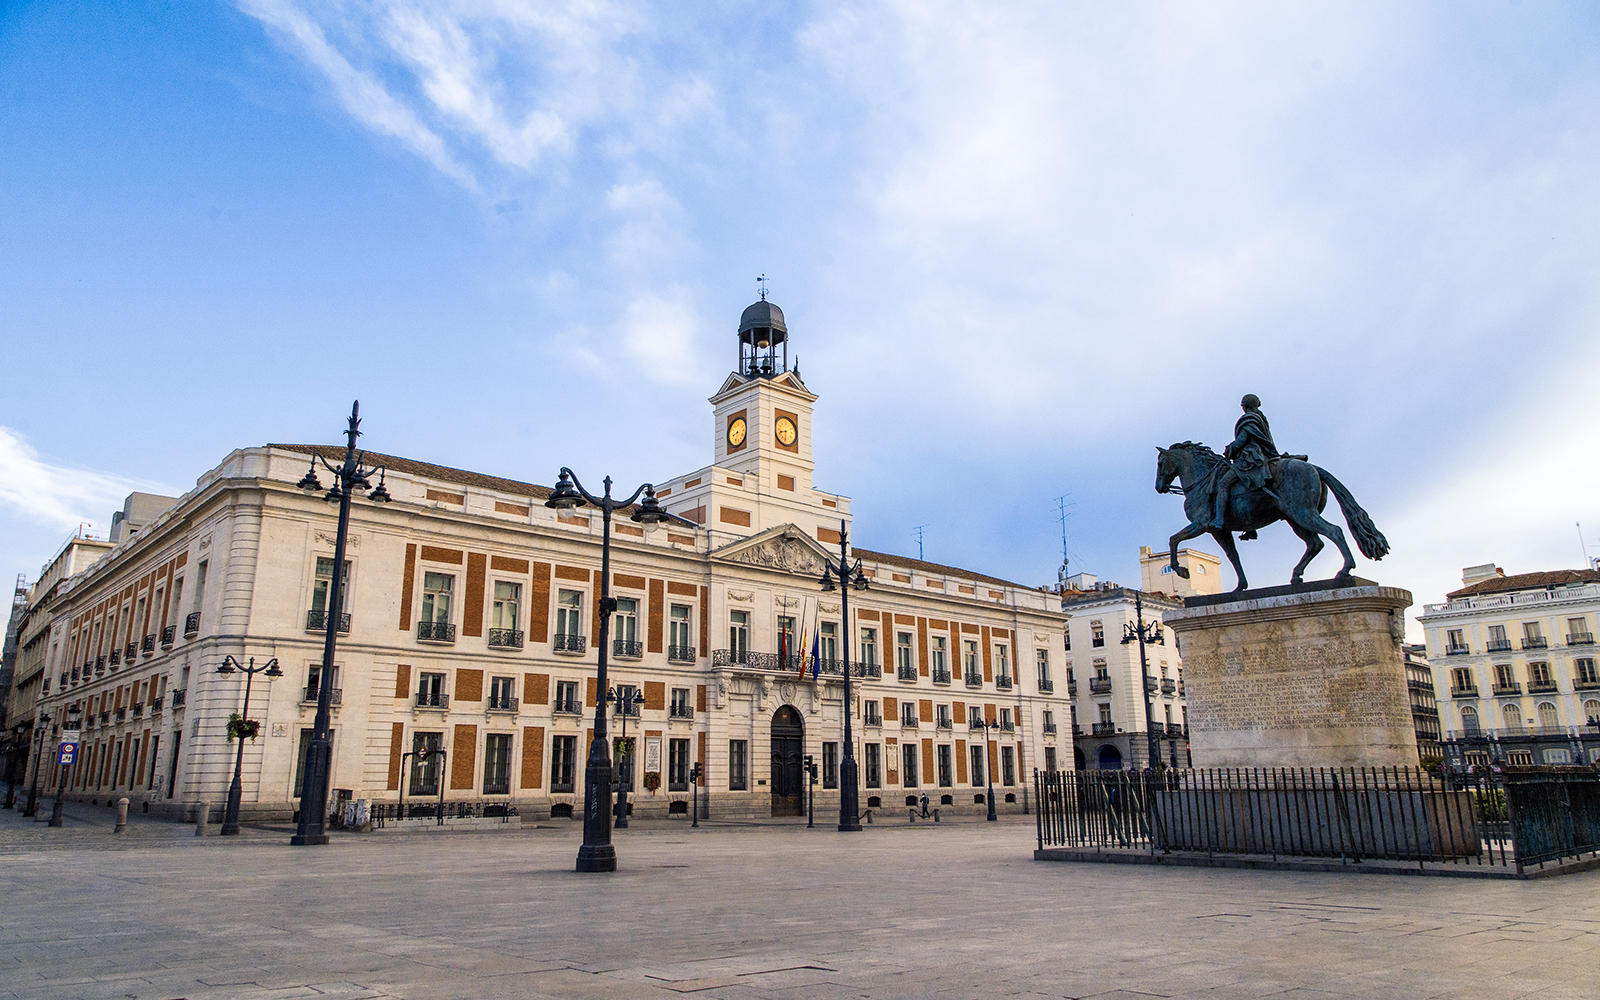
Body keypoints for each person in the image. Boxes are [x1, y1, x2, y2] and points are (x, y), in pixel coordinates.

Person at [1209, 394, 1278, 534]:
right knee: (1244, 487)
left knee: (1223, 483)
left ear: (1245, 405)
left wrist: (1230, 449)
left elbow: (1242, 440)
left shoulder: (1248, 419)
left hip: (1250, 459)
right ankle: (1250, 527)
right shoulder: (1260, 417)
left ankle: (1219, 519)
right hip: (1259, 455)